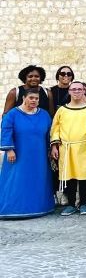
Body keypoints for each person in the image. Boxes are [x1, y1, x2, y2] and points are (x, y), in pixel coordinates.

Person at [50, 80, 86, 216]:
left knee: (84, 175)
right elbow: (55, 129)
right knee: (70, 176)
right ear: (69, 92)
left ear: (84, 91)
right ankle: (71, 204)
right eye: (73, 89)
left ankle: (83, 203)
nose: (76, 91)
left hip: (85, 147)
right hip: (66, 148)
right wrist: (54, 146)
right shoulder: (62, 110)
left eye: (79, 89)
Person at [0, 88, 54, 219]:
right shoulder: (12, 114)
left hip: (39, 155)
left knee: (38, 179)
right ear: (24, 98)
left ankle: (39, 207)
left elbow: (50, 133)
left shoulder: (44, 115)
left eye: (36, 98)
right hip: (18, 154)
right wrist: (9, 150)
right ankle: (13, 209)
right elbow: (6, 131)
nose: (34, 101)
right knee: (17, 180)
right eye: (31, 98)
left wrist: (51, 148)